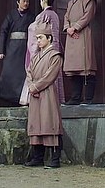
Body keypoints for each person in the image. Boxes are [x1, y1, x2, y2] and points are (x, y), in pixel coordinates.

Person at [23, 31, 64, 168]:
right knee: (36, 123)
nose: (38, 41)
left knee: (49, 122)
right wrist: (31, 86)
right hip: (35, 94)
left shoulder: (55, 56)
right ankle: (38, 157)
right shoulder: (36, 57)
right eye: (37, 38)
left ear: (49, 38)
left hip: (47, 92)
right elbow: (29, 72)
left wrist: (35, 87)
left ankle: (55, 159)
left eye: (41, 38)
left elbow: (50, 76)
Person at [63, 0, 98, 105]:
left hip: (83, 35)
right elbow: (66, 17)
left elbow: (87, 16)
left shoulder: (89, 0)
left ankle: (88, 98)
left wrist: (75, 28)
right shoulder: (70, 3)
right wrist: (68, 28)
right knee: (73, 69)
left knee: (86, 67)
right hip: (71, 36)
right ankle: (75, 97)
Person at [26, 0, 65, 104]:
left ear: (43, 1)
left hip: (44, 51)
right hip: (55, 49)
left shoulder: (42, 16)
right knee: (54, 74)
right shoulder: (55, 15)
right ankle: (58, 98)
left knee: (43, 75)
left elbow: (38, 35)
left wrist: (34, 53)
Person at [0, 0, 33, 104]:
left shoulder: (31, 17)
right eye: (24, 1)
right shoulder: (11, 15)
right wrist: (1, 50)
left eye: (27, 1)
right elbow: (3, 31)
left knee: (23, 72)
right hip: (12, 48)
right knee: (9, 71)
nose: (26, 3)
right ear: (18, 2)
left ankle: (21, 97)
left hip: (25, 48)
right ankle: (8, 96)